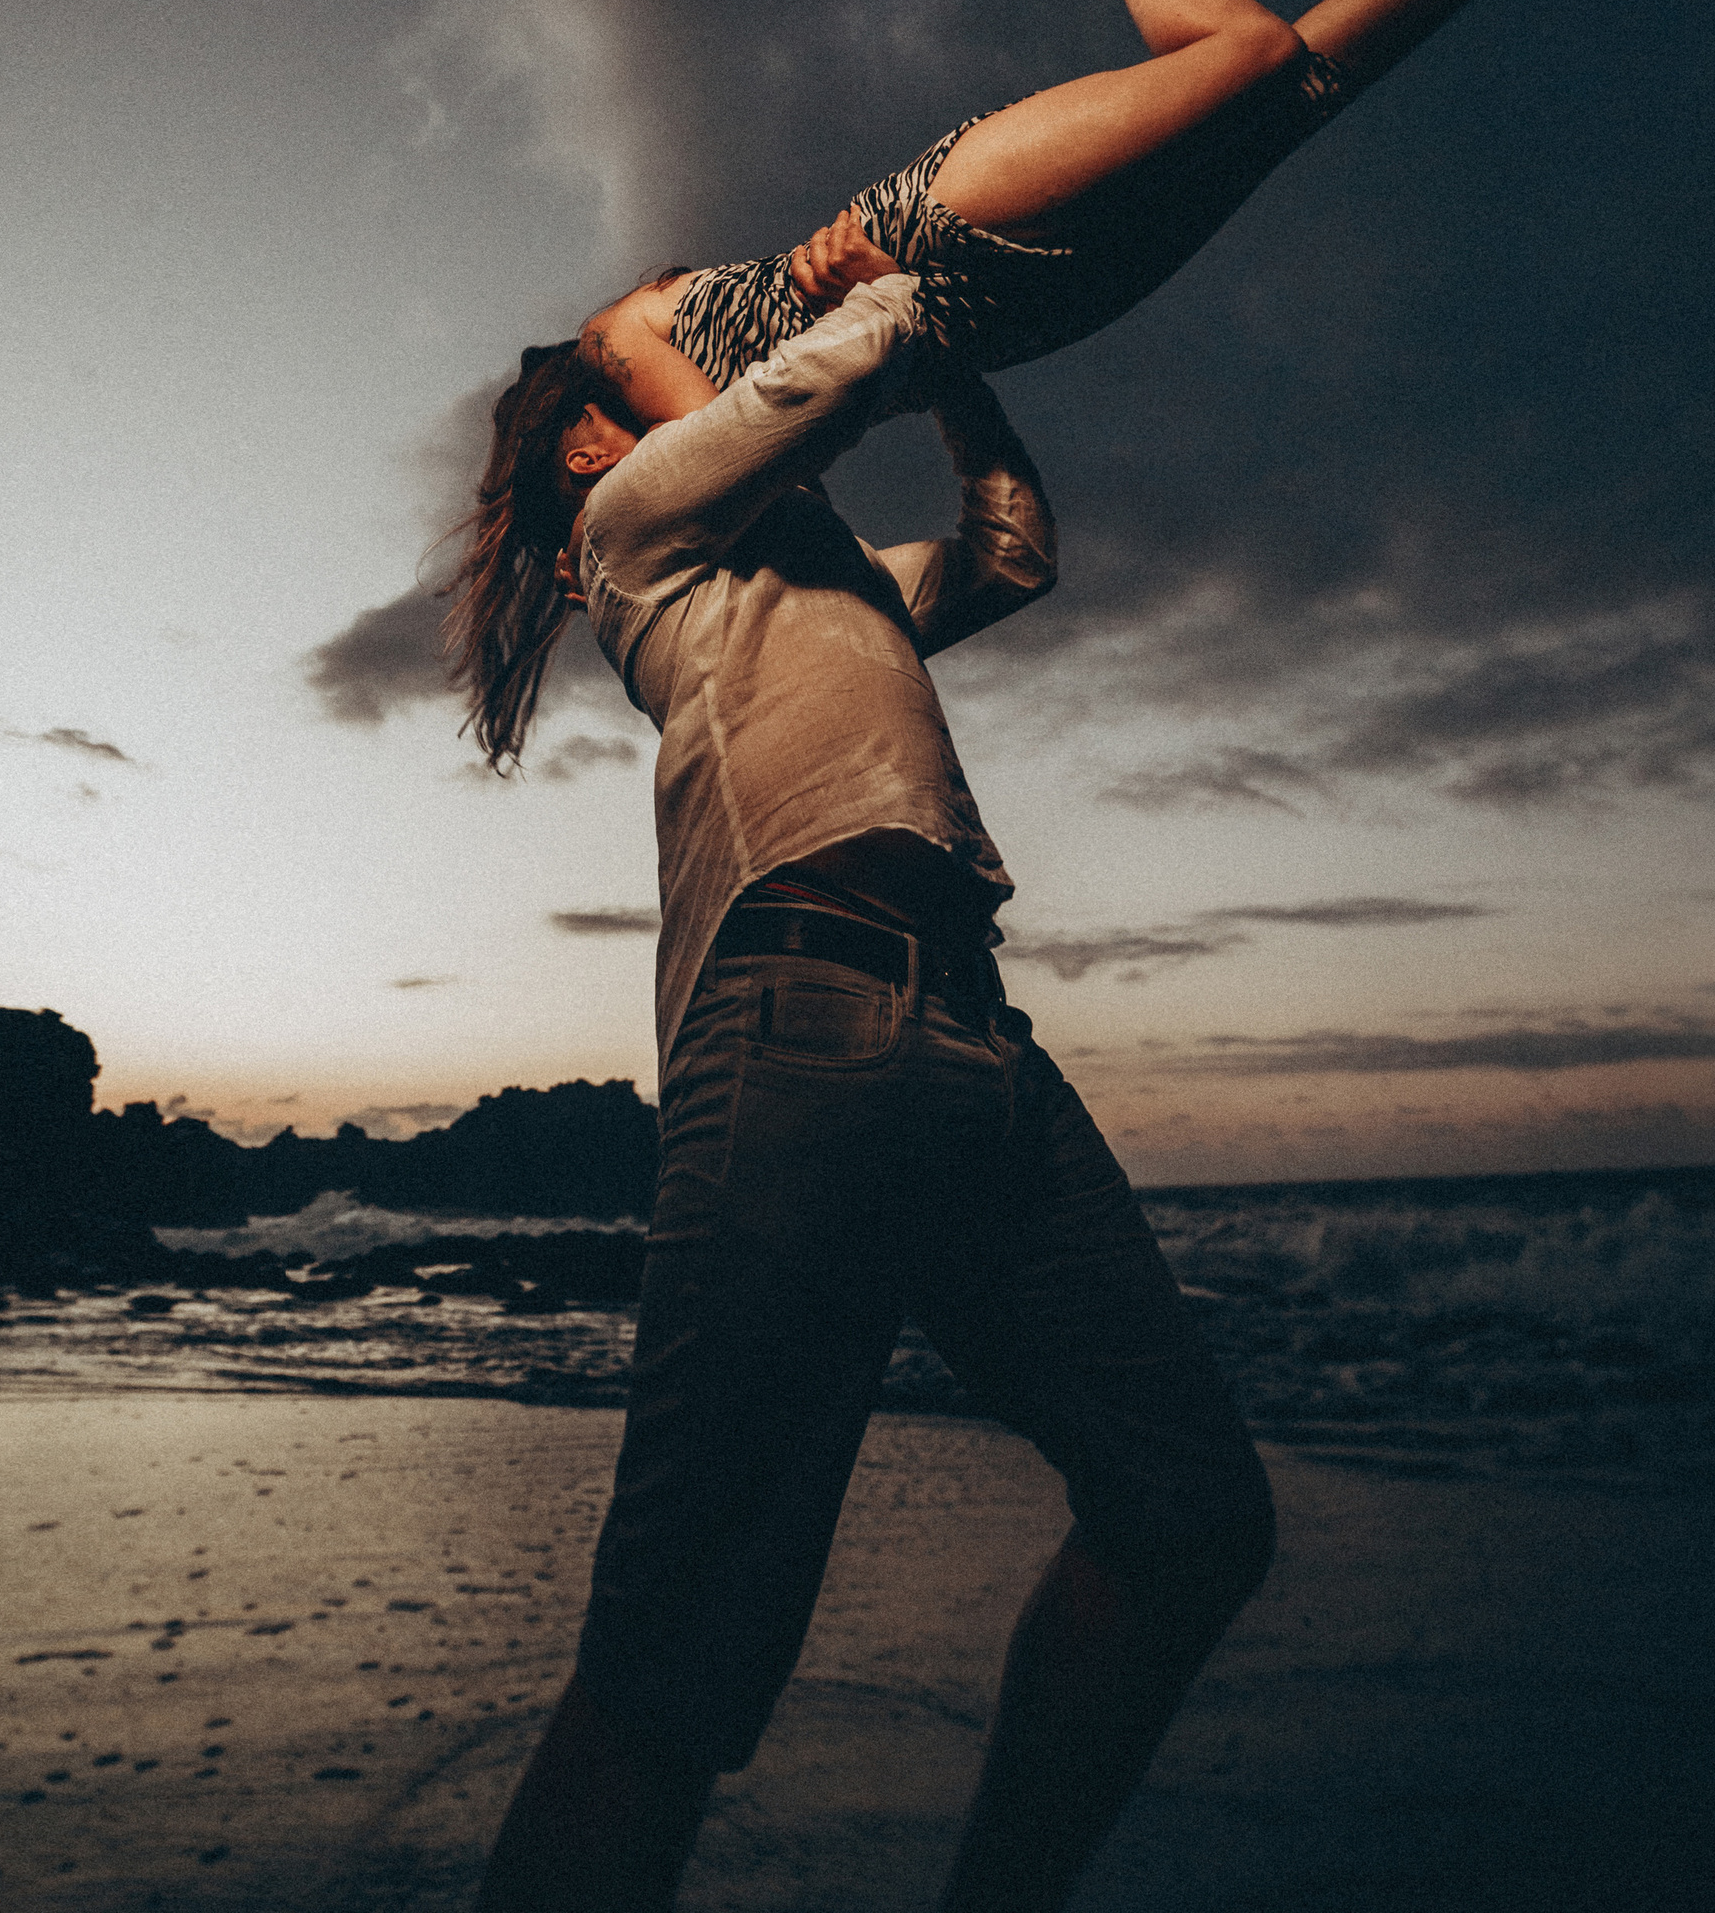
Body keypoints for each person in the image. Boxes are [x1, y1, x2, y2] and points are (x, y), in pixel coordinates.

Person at [474, 266, 1277, 1913]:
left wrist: (961, 380)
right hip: (795, 1030)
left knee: (1191, 1515)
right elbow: (810, 388)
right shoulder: (638, 540)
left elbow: (1009, 549)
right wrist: (905, 293)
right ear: (582, 456)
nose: (670, 388)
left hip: (982, 1049)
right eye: (631, 388)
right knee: (675, 1670)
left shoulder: (829, 570)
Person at [451, 0, 1658, 768]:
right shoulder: (652, 486)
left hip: (922, 229)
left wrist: (866, 326)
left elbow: (759, 440)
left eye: (589, 467)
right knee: (1291, 106)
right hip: (983, 324)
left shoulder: (621, 339)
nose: (616, 472)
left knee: (1249, 56)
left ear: (570, 429)